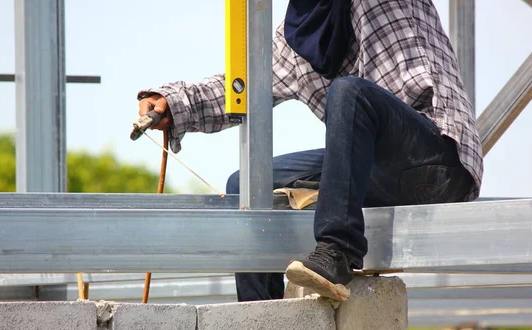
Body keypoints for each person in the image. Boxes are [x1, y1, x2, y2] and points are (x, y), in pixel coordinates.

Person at [137, 0, 483, 302]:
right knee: (247, 186)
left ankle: (337, 250)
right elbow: (239, 86)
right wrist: (175, 103)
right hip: (374, 173)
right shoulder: (299, 39)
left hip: (436, 158)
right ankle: (261, 328)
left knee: (351, 94)